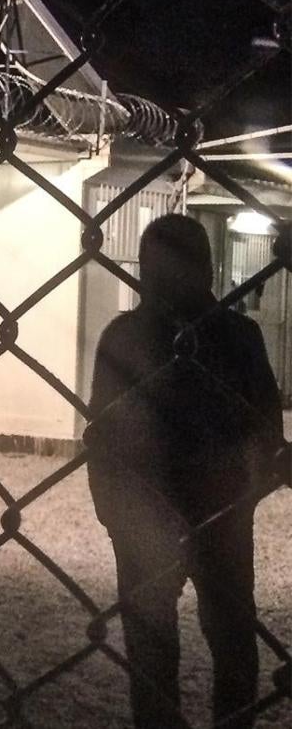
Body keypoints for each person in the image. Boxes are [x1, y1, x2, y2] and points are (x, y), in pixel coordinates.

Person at [85, 214, 282, 729]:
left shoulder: (126, 335)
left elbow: (100, 438)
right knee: (229, 638)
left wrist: (116, 510)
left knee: (162, 643)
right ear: (210, 270)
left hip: (163, 510)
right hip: (212, 510)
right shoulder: (237, 336)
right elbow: (267, 434)